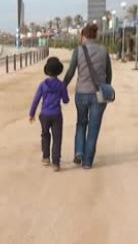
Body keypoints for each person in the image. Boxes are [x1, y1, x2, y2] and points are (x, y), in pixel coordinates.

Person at [63, 24, 112, 170]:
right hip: (99, 95)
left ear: (83, 36)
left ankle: (79, 151)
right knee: (93, 128)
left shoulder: (78, 51)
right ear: (94, 36)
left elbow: (71, 72)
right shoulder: (104, 51)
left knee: (81, 123)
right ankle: (87, 162)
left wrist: (61, 87)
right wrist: (105, 88)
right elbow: (109, 74)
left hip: (82, 94)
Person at [29, 57, 70, 172]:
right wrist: (64, 97)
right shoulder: (61, 85)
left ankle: (46, 157)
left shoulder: (43, 85)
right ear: (59, 71)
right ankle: (56, 163)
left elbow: (36, 99)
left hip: (44, 115)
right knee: (57, 138)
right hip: (57, 114)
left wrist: (31, 114)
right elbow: (66, 100)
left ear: (47, 71)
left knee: (45, 135)